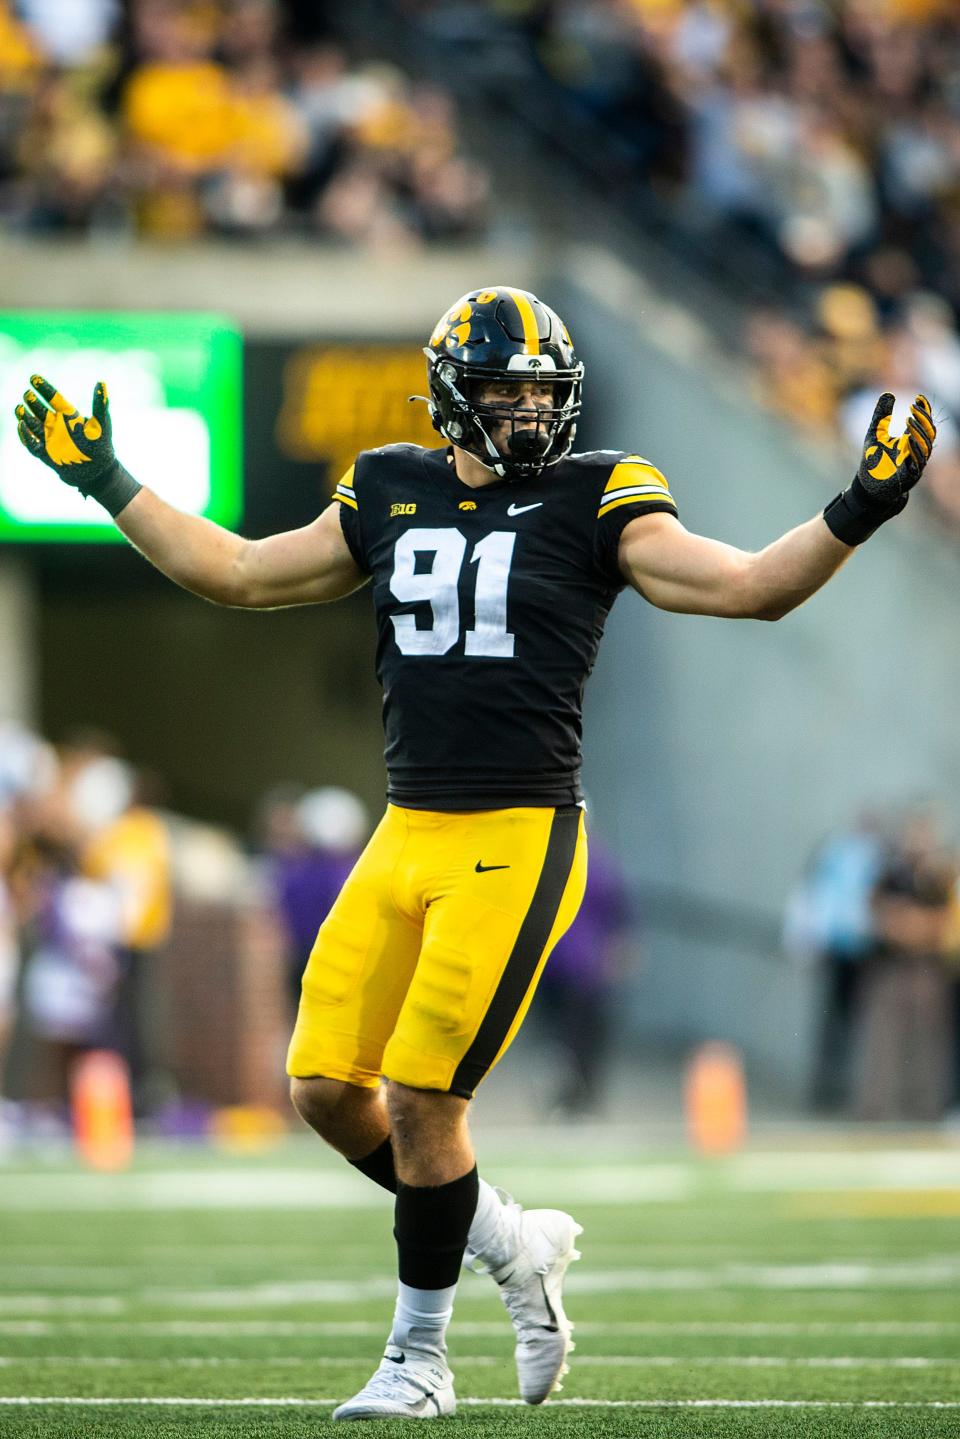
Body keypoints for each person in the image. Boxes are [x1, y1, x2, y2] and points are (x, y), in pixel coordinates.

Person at [14, 285, 936, 1420]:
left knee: (417, 1095)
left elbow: (748, 587)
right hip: (406, 827)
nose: (528, 410)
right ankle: (508, 1238)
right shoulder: (387, 483)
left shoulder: (603, 493)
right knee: (319, 1089)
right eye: (506, 388)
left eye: (544, 391)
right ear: (454, 391)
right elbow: (240, 571)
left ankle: (420, 1356)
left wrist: (864, 501)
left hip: (518, 833)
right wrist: (107, 480)